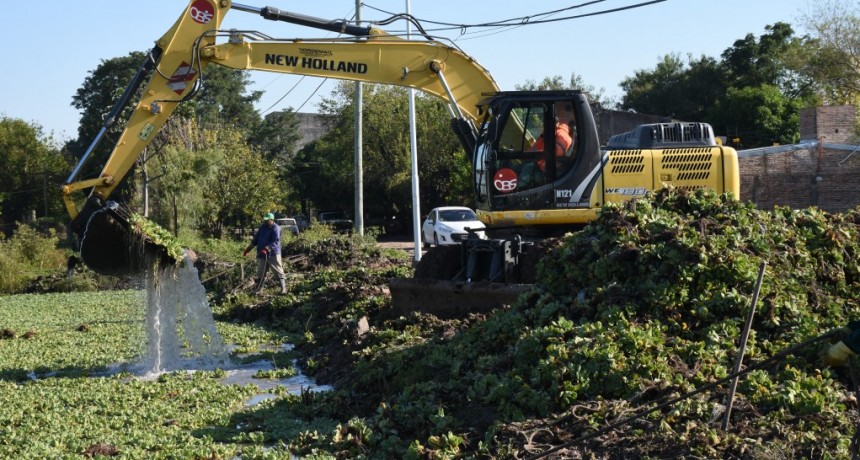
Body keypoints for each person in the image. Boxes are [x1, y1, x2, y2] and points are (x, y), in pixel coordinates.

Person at [243, 212, 288, 295]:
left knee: (278, 270)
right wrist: (248, 249)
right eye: (265, 220)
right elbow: (256, 240)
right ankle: (259, 289)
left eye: (267, 220)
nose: (266, 221)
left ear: (272, 220)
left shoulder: (276, 228)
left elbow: (276, 241)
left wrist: (267, 248)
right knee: (261, 272)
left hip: (273, 254)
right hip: (261, 253)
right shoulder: (263, 227)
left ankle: (283, 289)